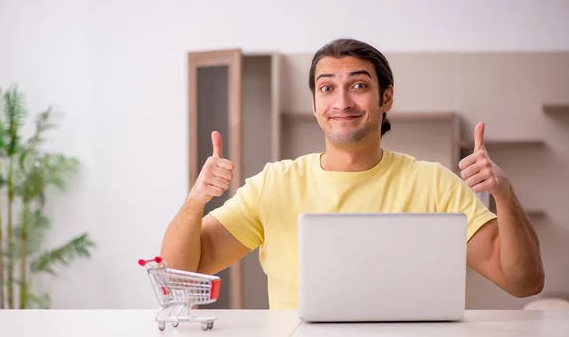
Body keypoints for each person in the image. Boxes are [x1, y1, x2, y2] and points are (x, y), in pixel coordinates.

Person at [160, 38, 544, 310]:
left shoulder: (435, 184)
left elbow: (523, 282)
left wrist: (504, 195)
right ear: (314, 103)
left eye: (359, 85)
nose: (342, 102)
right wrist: (196, 201)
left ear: (386, 98)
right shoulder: (274, 184)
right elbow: (179, 275)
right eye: (327, 88)